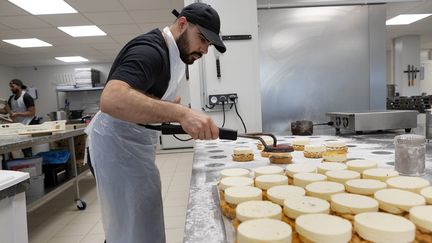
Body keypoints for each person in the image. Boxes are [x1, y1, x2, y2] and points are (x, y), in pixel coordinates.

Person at [85, 3, 226, 243]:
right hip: (116, 146)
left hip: (131, 143)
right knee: (132, 227)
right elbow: (111, 99)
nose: (204, 50)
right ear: (182, 24)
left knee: (135, 222)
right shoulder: (150, 50)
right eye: (202, 39)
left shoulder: (176, 54)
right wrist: (179, 113)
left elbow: (142, 95)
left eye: (208, 45)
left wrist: (171, 109)